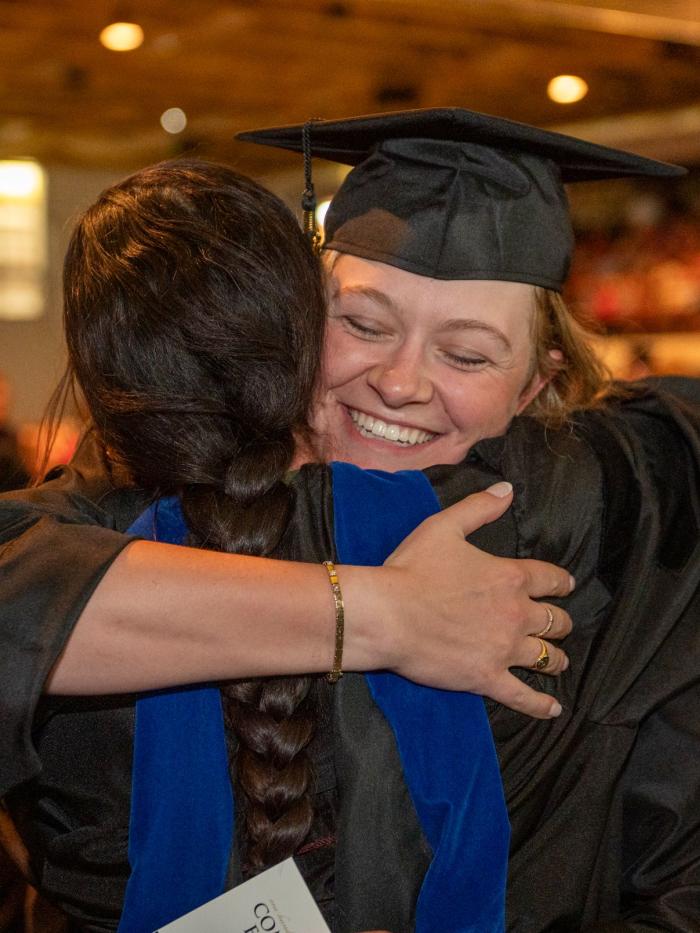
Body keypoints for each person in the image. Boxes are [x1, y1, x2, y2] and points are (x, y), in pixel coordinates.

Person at [1, 111, 698, 931]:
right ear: (294, 323)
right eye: (362, 326)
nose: (400, 382)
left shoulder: (617, 537)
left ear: (536, 386)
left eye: (466, 354)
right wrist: (384, 614)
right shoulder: (135, 510)